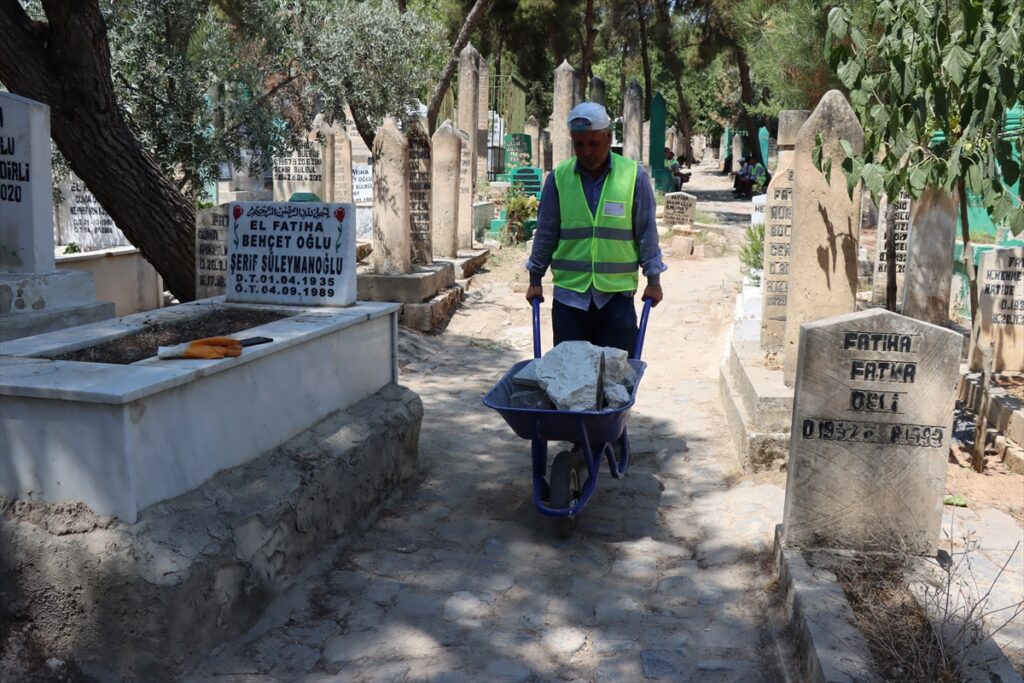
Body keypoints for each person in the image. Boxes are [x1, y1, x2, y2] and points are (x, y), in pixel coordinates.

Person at [525, 102, 665, 354]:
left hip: (616, 298)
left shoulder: (633, 176)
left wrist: (653, 279)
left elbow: (646, 232)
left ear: (609, 138)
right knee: (570, 380)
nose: (586, 151)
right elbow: (546, 233)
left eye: (593, 143)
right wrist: (535, 278)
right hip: (570, 298)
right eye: (579, 144)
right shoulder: (559, 178)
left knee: (615, 379)